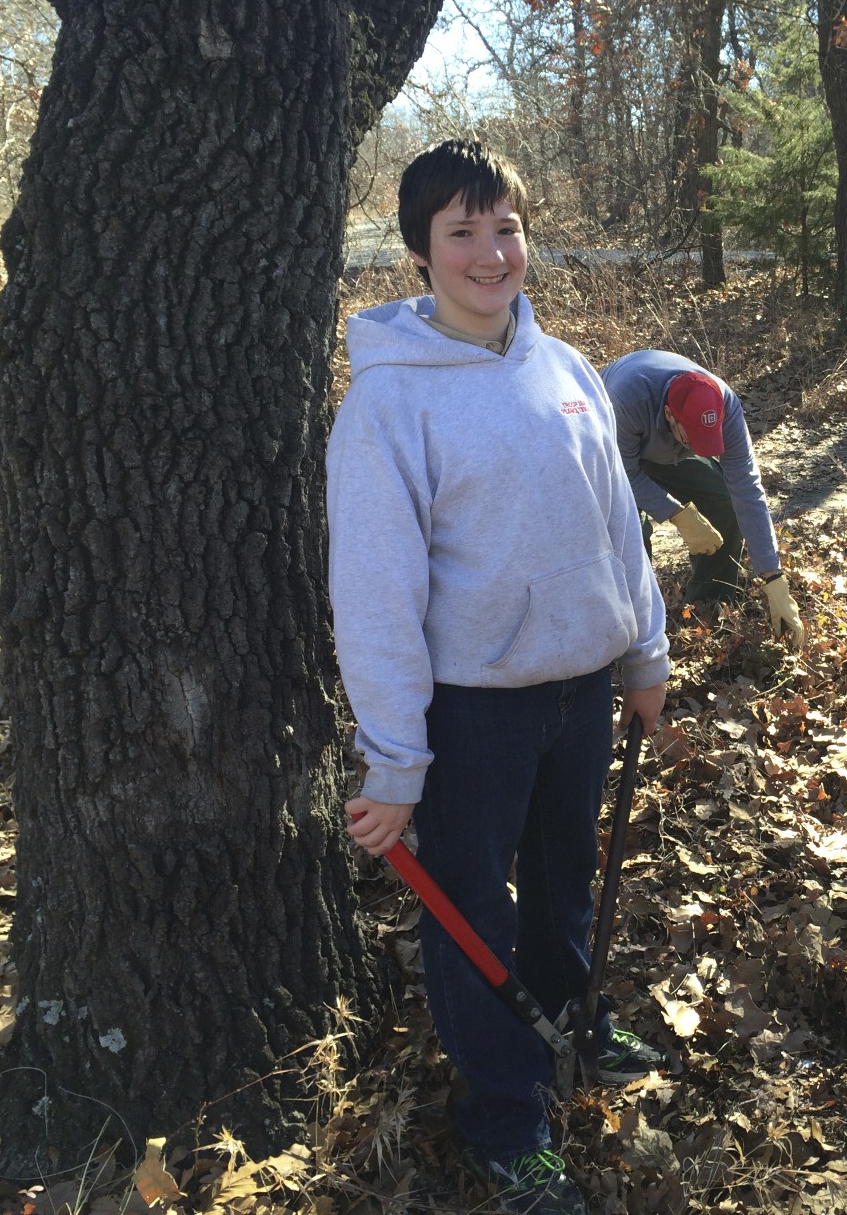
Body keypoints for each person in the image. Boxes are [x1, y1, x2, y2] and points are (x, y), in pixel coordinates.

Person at [327, 140, 671, 1215]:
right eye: (462, 232)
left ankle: (572, 1022)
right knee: (474, 913)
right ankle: (507, 1116)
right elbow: (376, 594)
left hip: (581, 691)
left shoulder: (565, 370)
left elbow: (617, 526)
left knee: (566, 881)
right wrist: (396, 759)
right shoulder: (388, 405)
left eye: (506, 228)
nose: (491, 253)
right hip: (472, 711)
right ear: (420, 252)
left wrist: (644, 651)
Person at [600, 350, 805, 648]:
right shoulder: (625, 399)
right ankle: (634, 629)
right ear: (669, 415)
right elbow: (622, 474)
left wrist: (772, 575)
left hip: (665, 450)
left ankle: (709, 606)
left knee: (723, 503)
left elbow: (746, 487)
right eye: (693, 439)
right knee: (631, 531)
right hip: (615, 454)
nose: (700, 448)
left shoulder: (724, 402)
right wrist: (676, 514)